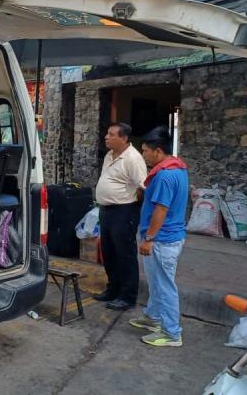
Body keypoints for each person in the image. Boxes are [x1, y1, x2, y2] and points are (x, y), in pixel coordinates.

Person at [129, 126, 188, 348]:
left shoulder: (164, 176)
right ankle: (153, 317)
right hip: (169, 237)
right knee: (157, 282)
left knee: (164, 286)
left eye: (145, 151)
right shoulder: (178, 168)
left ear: (158, 151)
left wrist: (149, 238)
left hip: (162, 239)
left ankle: (172, 333)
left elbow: (161, 210)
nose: (143, 155)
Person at [94, 123, 147, 311]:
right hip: (107, 210)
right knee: (108, 252)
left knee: (124, 254)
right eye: (107, 133)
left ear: (124, 138)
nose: (106, 137)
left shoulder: (133, 159)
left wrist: (132, 211)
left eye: (111, 134)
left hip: (124, 211)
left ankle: (127, 296)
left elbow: (143, 188)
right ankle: (113, 289)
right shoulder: (109, 155)